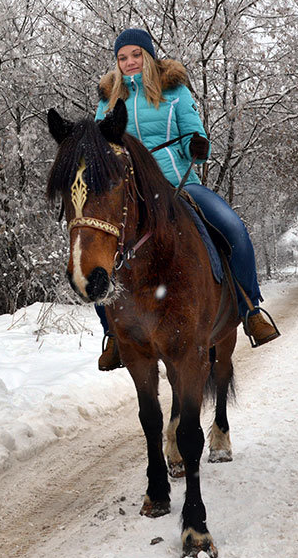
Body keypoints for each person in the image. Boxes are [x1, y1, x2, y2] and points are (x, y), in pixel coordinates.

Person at [93, 28, 279, 370]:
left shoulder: (174, 92)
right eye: (122, 58)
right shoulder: (108, 101)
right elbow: (100, 149)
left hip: (179, 184)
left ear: (148, 56)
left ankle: (251, 309)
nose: (130, 62)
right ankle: (113, 335)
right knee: (96, 249)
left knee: (233, 228)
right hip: (131, 196)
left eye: (136, 55)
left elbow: (194, 132)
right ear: (117, 63)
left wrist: (196, 144)